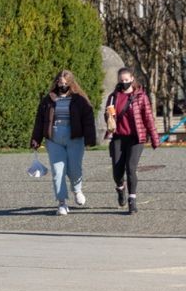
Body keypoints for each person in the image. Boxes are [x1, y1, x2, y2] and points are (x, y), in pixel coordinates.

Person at [30, 70, 97, 216]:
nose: (63, 85)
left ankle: (77, 189)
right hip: (54, 138)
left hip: (74, 137)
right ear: (56, 83)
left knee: (74, 169)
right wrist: (36, 139)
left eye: (66, 83)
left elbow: (88, 119)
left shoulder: (79, 99)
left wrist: (90, 138)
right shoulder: (48, 100)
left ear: (71, 83)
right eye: (60, 83)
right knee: (57, 172)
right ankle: (62, 203)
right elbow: (39, 120)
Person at [104, 68, 160, 214]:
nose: (124, 83)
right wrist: (108, 116)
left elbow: (148, 118)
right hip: (118, 137)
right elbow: (108, 118)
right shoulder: (113, 97)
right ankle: (120, 188)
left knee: (130, 168)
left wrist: (154, 138)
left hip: (136, 138)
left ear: (132, 79)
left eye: (126, 80)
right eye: (121, 80)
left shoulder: (141, 96)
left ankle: (132, 200)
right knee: (117, 172)